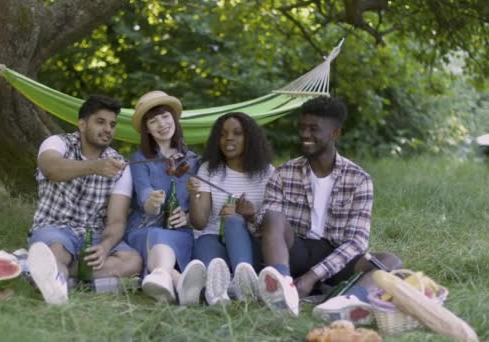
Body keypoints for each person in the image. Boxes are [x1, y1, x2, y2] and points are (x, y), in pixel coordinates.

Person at [256, 96, 401, 319]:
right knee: (272, 217)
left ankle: (344, 303)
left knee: (389, 261)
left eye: (314, 129)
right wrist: (253, 218)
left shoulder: (359, 179)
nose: (305, 134)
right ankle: (282, 292)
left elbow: (356, 242)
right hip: (295, 251)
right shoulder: (284, 173)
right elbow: (269, 227)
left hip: (337, 256)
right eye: (302, 127)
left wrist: (312, 277)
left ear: (335, 133)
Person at [26, 95, 142, 305]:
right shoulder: (57, 143)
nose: (108, 129)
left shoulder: (120, 165)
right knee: (57, 252)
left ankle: (57, 275)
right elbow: (52, 169)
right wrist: (94, 167)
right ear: (82, 124)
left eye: (112, 124)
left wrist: (106, 247)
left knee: (133, 261)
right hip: (55, 228)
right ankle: (63, 281)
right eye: (100, 122)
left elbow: (116, 220)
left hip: (93, 234)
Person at [187, 112, 274, 305]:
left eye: (237, 133)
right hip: (213, 238)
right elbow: (199, 223)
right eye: (223, 134)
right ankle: (220, 291)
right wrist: (194, 195)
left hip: (249, 242)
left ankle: (244, 283)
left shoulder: (267, 172)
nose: (229, 139)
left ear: (249, 138)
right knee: (213, 262)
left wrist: (247, 216)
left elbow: (273, 221)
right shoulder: (209, 169)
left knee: (235, 221)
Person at [125, 90, 201, 304]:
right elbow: (145, 197)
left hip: (180, 232)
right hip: (144, 229)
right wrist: (152, 201)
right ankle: (181, 284)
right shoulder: (140, 159)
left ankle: (164, 278)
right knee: (156, 235)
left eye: (165, 116)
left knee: (164, 240)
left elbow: (200, 204)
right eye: (153, 121)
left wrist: (187, 215)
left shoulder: (193, 161)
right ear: (147, 130)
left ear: (174, 119)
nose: (161, 124)